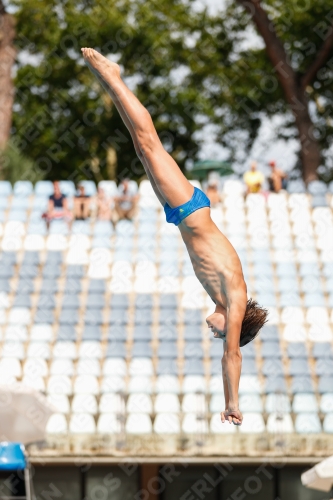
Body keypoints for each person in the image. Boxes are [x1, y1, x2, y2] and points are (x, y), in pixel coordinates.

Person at [81, 48, 268, 426]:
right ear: (238, 325)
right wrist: (232, 402)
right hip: (190, 210)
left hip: (179, 214)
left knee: (140, 145)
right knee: (150, 142)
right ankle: (113, 75)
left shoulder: (224, 296)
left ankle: (110, 83)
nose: (215, 335)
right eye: (222, 335)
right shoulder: (234, 301)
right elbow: (233, 356)